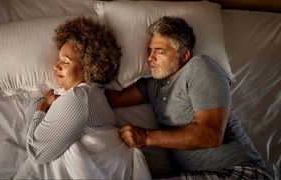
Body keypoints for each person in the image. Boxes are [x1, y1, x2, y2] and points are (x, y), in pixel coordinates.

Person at [106, 16, 272, 179]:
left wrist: (146, 137)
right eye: (150, 51)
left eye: (159, 51)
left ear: (184, 56)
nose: (150, 58)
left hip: (239, 171)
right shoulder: (152, 84)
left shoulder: (200, 67)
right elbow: (114, 98)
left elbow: (211, 135)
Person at [14, 16, 151, 179]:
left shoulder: (80, 96)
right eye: (58, 60)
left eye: (65, 62)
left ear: (88, 68)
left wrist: (42, 106)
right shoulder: (94, 94)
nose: (55, 66)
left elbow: (36, 152)